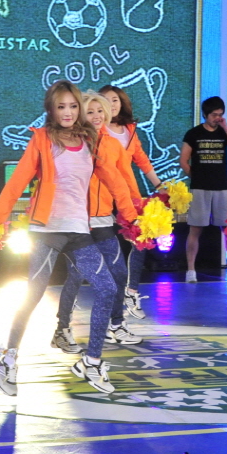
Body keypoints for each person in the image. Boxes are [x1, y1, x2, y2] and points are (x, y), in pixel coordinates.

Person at [0, 81, 139, 396]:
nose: (68, 112)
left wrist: (132, 216)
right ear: (51, 110)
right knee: (33, 294)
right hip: (47, 230)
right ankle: (8, 357)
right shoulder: (42, 139)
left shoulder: (89, 140)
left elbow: (114, 180)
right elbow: (17, 182)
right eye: (61, 107)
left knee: (108, 288)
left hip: (79, 230)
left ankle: (92, 361)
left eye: (73, 106)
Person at [53, 92, 142, 355]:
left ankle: (116, 324)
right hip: (76, 222)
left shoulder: (113, 145)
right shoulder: (73, 142)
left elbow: (126, 181)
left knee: (119, 273)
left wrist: (137, 211)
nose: (96, 116)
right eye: (90, 111)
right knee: (75, 275)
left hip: (103, 219)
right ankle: (62, 329)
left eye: (100, 111)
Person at [97, 84, 162, 319]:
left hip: (129, 195)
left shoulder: (130, 130)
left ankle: (131, 291)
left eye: (114, 100)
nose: (111, 104)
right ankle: (106, 299)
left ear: (122, 102)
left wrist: (159, 185)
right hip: (102, 195)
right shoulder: (94, 128)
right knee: (106, 248)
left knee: (141, 240)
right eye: (105, 100)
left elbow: (142, 160)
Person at [181, 96, 227, 282]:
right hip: (199, 188)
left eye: (220, 114)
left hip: (222, 187)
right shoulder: (193, 133)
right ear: (205, 114)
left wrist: (226, 127)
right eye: (214, 115)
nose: (217, 118)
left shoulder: (224, 132)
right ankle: (191, 270)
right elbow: (183, 160)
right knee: (195, 229)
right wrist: (195, 177)